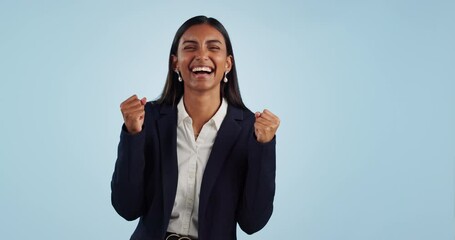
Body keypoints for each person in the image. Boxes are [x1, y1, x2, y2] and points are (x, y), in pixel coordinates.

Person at [111, 15, 280, 240]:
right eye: (190, 47)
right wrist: (133, 134)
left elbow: (252, 222)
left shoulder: (252, 130)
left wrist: (264, 147)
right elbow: (126, 207)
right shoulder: (147, 119)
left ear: (228, 63)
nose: (201, 55)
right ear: (175, 62)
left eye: (213, 47)